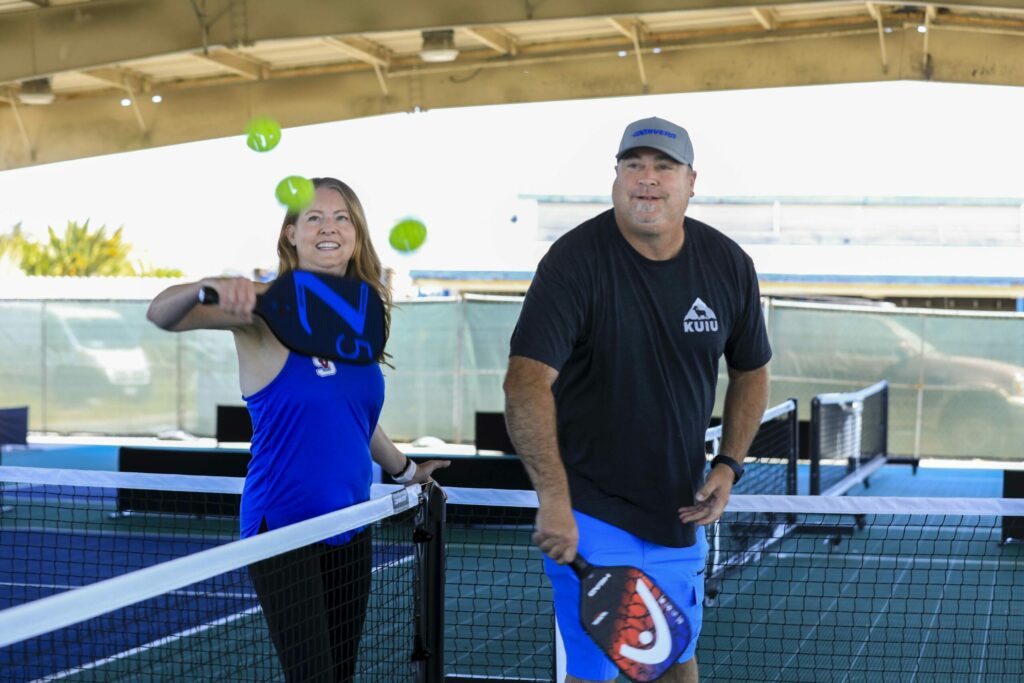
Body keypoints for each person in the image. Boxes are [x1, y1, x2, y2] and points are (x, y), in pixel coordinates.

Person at [147, 176, 449, 682]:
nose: (329, 228)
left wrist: (406, 471)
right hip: (284, 527)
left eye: (341, 218)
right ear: (292, 234)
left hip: (352, 522)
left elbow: (356, 418)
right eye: (314, 218)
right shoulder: (264, 308)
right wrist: (207, 286)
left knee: (340, 675)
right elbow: (161, 313)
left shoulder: (359, 315)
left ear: (356, 234)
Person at [503, 117, 771, 683]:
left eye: (663, 167)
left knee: (676, 661)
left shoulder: (728, 264)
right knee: (593, 675)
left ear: (691, 181)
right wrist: (554, 499)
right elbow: (525, 384)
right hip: (589, 515)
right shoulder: (573, 261)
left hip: (680, 515)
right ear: (617, 176)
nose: (647, 179)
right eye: (634, 165)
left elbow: (751, 369)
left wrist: (728, 465)